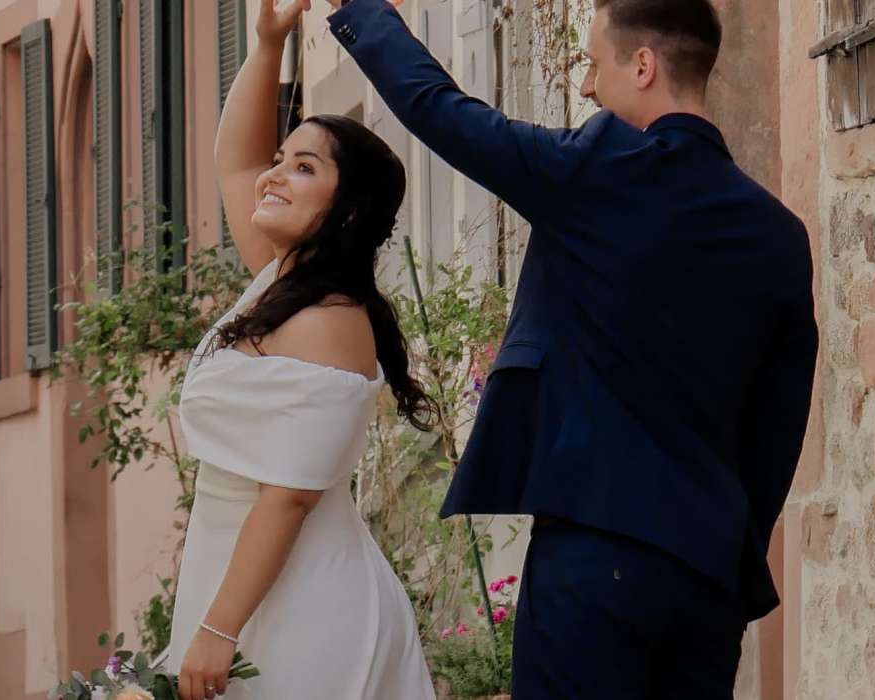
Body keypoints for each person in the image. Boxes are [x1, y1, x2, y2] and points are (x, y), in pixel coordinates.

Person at [323, 0, 819, 696]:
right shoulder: (779, 234)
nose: (585, 86)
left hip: (594, 555)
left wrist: (363, 12)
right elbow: (778, 427)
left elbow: (442, 111)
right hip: (706, 574)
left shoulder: (595, 170)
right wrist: (730, 547)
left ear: (642, 66)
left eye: (593, 64)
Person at [164, 2, 437, 698]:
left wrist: (219, 629)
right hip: (244, 589)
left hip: (302, 609)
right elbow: (236, 162)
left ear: (348, 209)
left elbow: (287, 498)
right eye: (281, 160)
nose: (274, 175)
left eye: (304, 167)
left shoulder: (327, 320)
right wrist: (268, 44)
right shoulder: (280, 283)